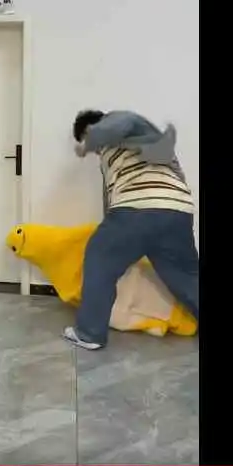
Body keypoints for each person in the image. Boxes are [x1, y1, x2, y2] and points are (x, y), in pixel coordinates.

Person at [64, 109, 200, 350]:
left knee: (98, 257)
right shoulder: (121, 154)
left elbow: (119, 124)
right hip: (176, 209)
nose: (94, 150)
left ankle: (89, 333)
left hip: (138, 208)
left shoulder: (120, 121)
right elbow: (111, 199)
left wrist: (85, 144)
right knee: (187, 277)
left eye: (88, 138)